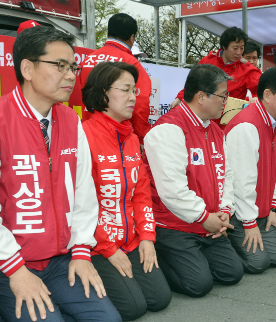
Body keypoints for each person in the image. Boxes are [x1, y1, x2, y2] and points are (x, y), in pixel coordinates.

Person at [0, 26, 120, 322]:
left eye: (73, 67)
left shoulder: (71, 120)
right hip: (4, 263)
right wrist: (16, 271)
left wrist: (81, 252)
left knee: (108, 319)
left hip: (58, 260)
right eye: (60, 65)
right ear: (27, 68)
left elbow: (84, 193)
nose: (70, 75)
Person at [81, 61, 171, 320]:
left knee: (160, 299)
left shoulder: (132, 138)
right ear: (103, 93)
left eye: (135, 91)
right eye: (126, 90)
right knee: (134, 308)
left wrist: (146, 237)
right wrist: (108, 248)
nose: (133, 97)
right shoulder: (83, 135)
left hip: (131, 241)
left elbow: (141, 193)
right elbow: (81, 204)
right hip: (98, 245)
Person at [144, 64, 243, 297]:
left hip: (209, 222)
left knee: (232, 273)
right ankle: (161, 255)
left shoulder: (216, 130)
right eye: (223, 95)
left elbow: (227, 174)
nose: (226, 102)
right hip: (174, 224)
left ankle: (194, 259)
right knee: (198, 285)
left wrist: (225, 210)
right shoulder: (169, 128)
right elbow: (172, 190)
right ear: (201, 96)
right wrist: (203, 216)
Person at [224, 68, 276, 274]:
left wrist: (273, 208)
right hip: (238, 213)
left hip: (262, 210)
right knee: (258, 263)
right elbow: (240, 182)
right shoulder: (247, 126)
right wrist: (248, 223)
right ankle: (221, 243)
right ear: (267, 95)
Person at [80, 13, 152, 144]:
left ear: (108, 33)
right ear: (132, 38)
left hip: (86, 133)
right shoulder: (131, 64)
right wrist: (141, 138)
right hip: (118, 136)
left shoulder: (87, 60)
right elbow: (140, 105)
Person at [171, 27, 262, 110]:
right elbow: (193, 84)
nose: (239, 52)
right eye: (235, 48)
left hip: (229, 121)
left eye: (242, 48)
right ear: (224, 46)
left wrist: (257, 99)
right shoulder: (207, 61)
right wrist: (180, 98)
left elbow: (264, 90)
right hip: (204, 116)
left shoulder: (246, 69)